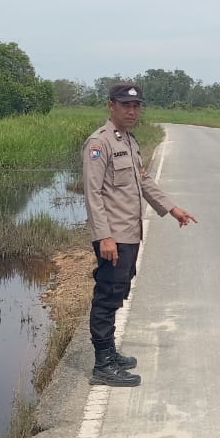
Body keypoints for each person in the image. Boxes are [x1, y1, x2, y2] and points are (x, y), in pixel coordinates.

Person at [81, 82, 197, 386]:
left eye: (136, 106)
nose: (132, 111)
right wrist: (104, 236)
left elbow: (143, 183)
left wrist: (172, 208)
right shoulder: (99, 143)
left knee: (119, 292)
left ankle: (110, 353)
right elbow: (93, 194)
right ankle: (102, 365)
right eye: (125, 105)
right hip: (113, 236)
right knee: (107, 297)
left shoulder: (129, 142)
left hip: (131, 233)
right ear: (111, 106)